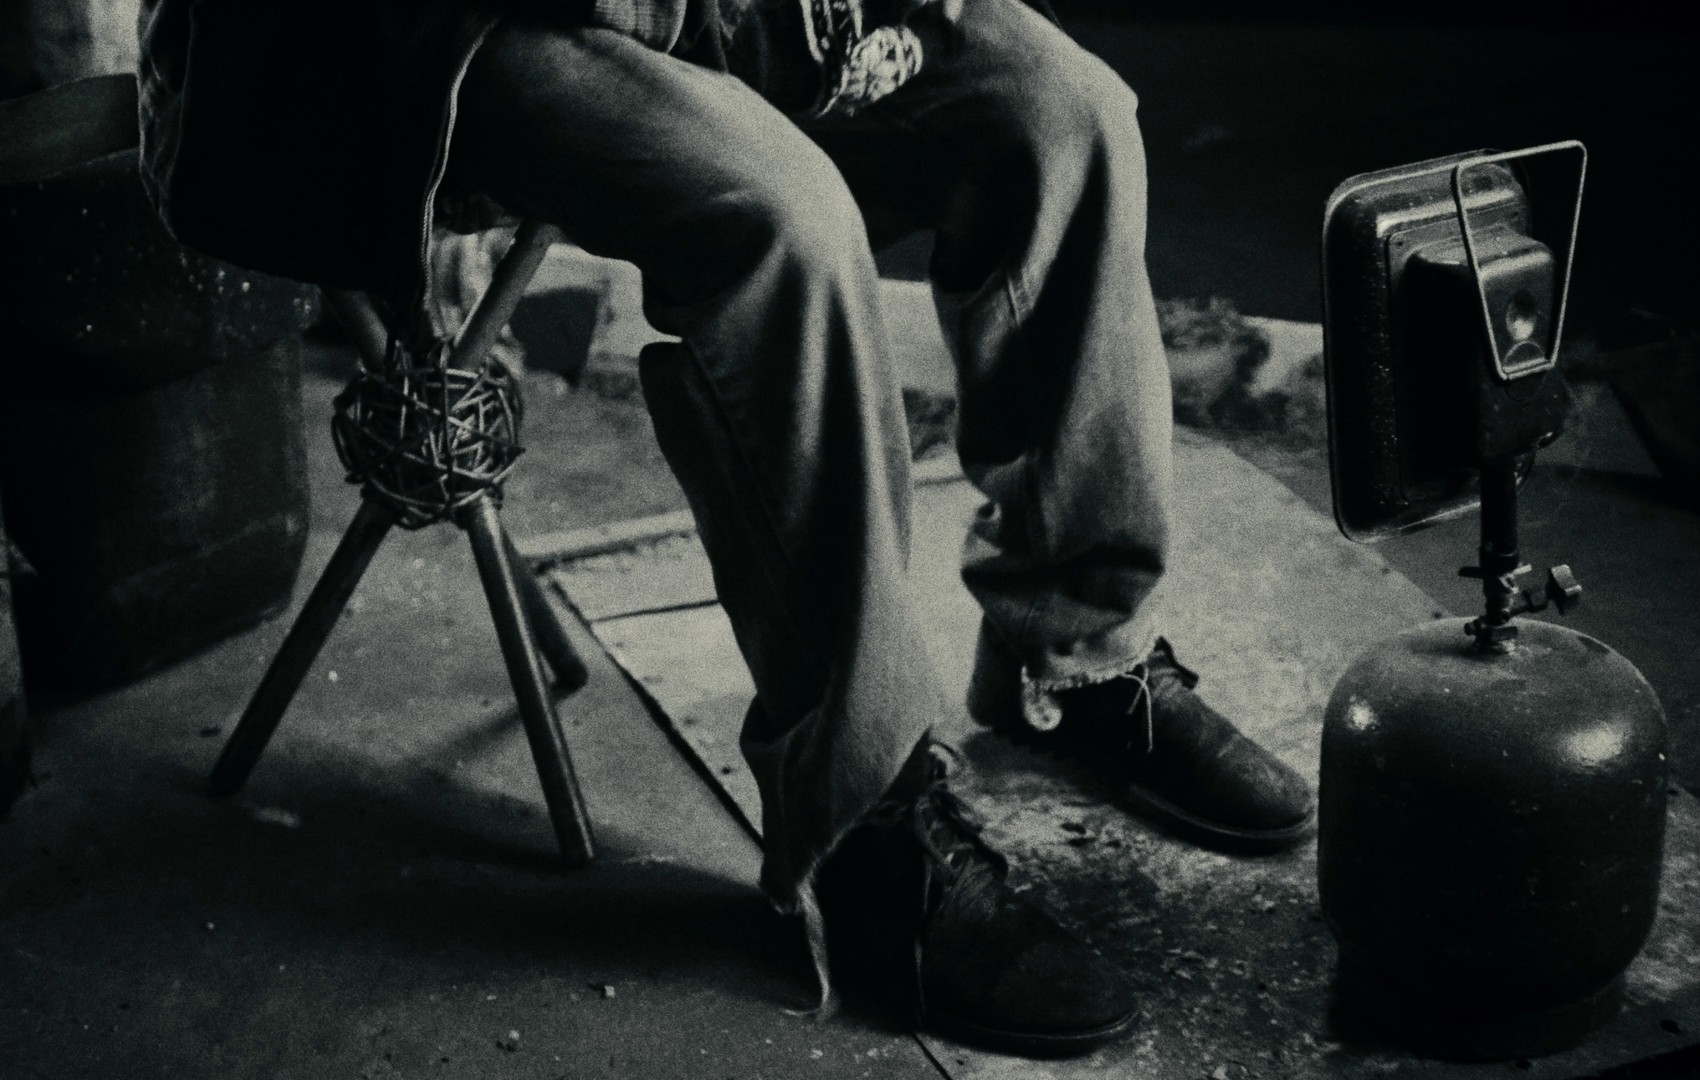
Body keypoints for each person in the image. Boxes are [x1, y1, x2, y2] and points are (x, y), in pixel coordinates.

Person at [137, 0, 1313, 1056]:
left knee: (1059, 110)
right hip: (403, 39)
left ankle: (1073, 653)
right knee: (779, 216)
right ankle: (863, 824)